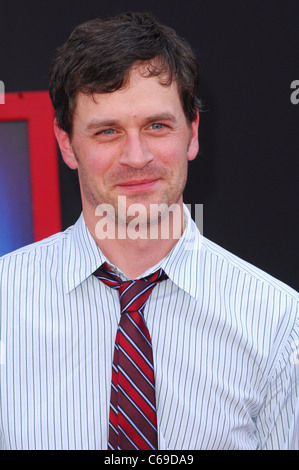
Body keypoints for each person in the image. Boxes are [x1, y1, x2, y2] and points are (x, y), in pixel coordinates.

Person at [0, 12, 298, 451]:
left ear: (192, 133)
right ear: (66, 144)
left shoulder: (278, 322)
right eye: (108, 131)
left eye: (157, 126)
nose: (136, 157)